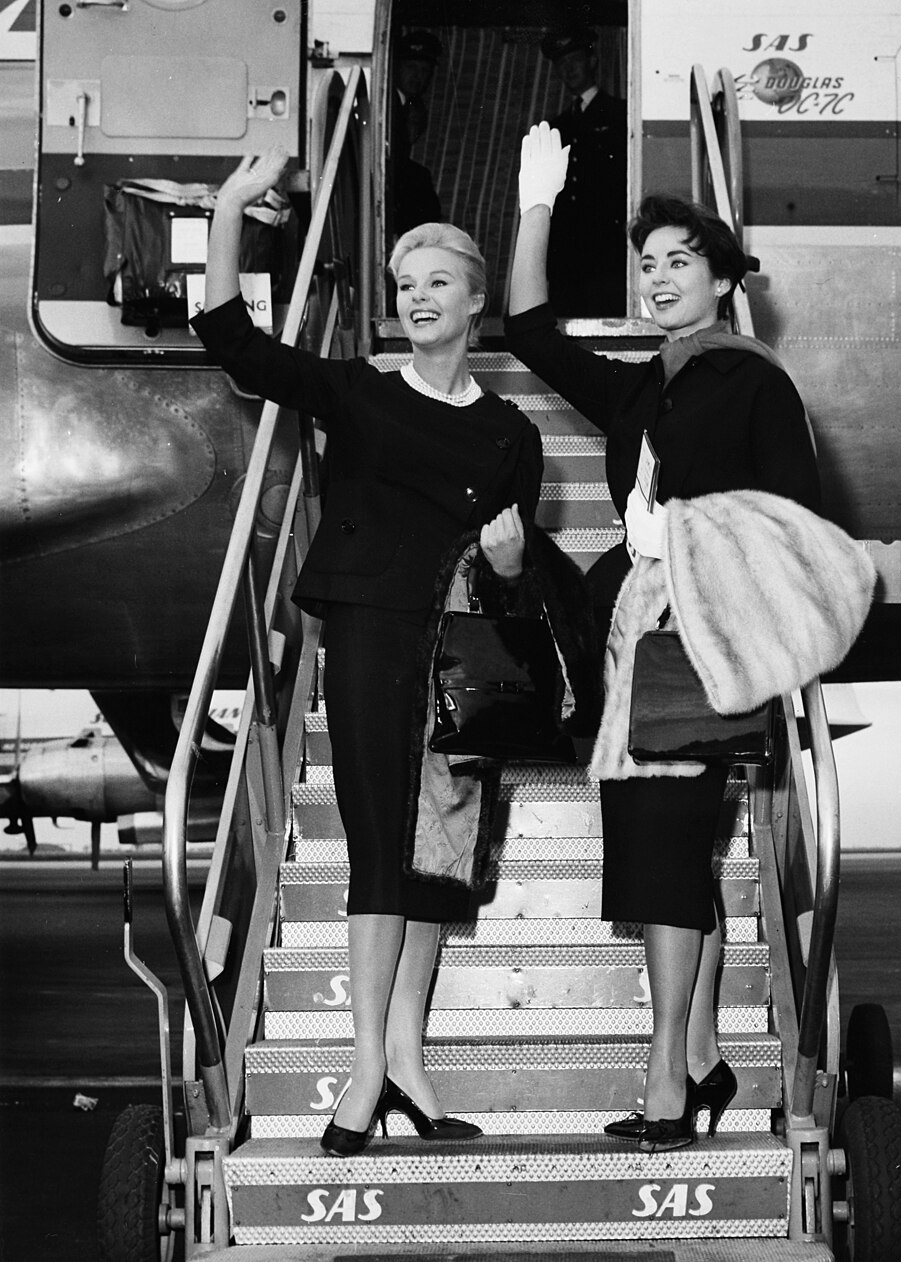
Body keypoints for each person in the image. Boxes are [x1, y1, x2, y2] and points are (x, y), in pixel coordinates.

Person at [192, 146, 545, 1157]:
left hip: (459, 648)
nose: (418, 295)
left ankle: (407, 1065)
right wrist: (228, 210)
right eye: (405, 284)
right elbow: (232, 341)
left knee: (438, 857)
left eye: (439, 281)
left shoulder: (513, 433)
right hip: (370, 626)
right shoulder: (358, 390)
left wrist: (515, 563)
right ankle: (360, 1072)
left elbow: (513, 578)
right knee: (383, 843)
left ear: (477, 299)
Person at [505, 124, 823, 1151]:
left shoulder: (756, 384)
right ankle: (699, 1059)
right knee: (662, 851)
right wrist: (537, 203)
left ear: (728, 278)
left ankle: (666, 1083)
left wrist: (683, 534)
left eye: (679, 260)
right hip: (634, 637)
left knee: (665, 853)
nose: (656, 278)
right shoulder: (644, 385)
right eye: (646, 264)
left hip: (705, 635)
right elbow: (526, 327)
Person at [540, 28, 627, 315]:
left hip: (608, 251)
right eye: (561, 64)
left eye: (574, 60)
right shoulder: (556, 125)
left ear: (592, 61)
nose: (568, 69)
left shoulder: (620, 114)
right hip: (566, 253)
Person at [391, 29, 444, 237]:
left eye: (424, 70)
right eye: (411, 67)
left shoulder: (409, 105)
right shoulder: (391, 107)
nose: (417, 76)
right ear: (396, 67)